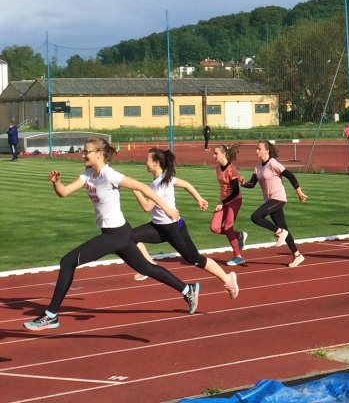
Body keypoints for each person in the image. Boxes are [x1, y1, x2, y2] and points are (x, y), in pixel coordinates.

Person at [23, 138, 200, 331]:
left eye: (87, 151)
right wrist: (56, 183)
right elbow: (64, 192)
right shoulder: (88, 174)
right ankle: (187, 289)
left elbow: (142, 187)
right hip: (118, 233)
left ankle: (51, 315)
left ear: (99, 153)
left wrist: (166, 208)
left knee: (68, 261)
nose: (83, 154)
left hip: (116, 235)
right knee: (146, 268)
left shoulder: (110, 175)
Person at [130, 148, 239, 299]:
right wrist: (199, 198)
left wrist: (136, 189)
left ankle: (228, 279)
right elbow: (187, 184)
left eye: (147, 159)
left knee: (195, 259)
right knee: (131, 236)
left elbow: (147, 207)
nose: (144, 162)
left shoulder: (160, 183)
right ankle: (148, 267)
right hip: (158, 227)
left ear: (155, 163)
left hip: (173, 228)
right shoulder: (163, 179)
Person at [241, 140, 307, 267]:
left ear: (266, 150)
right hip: (269, 200)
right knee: (284, 228)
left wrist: (298, 192)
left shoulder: (273, 163)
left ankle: (279, 232)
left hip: (278, 198)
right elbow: (252, 184)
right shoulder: (257, 166)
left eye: (258, 149)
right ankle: (298, 255)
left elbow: (290, 175)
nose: (256, 151)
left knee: (255, 217)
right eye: (256, 148)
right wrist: (243, 183)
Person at [211, 143, 248, 266]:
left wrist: (223, 203)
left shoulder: (231, 169)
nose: (214, 155)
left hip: (234, 201)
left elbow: (235, 191)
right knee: (215, 228)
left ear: (223, 154)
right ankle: (239, 235)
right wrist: (222, 201)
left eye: (216, 153)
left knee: (227, 228)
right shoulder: (217, 168)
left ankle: (238, 256)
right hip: (223, 201)